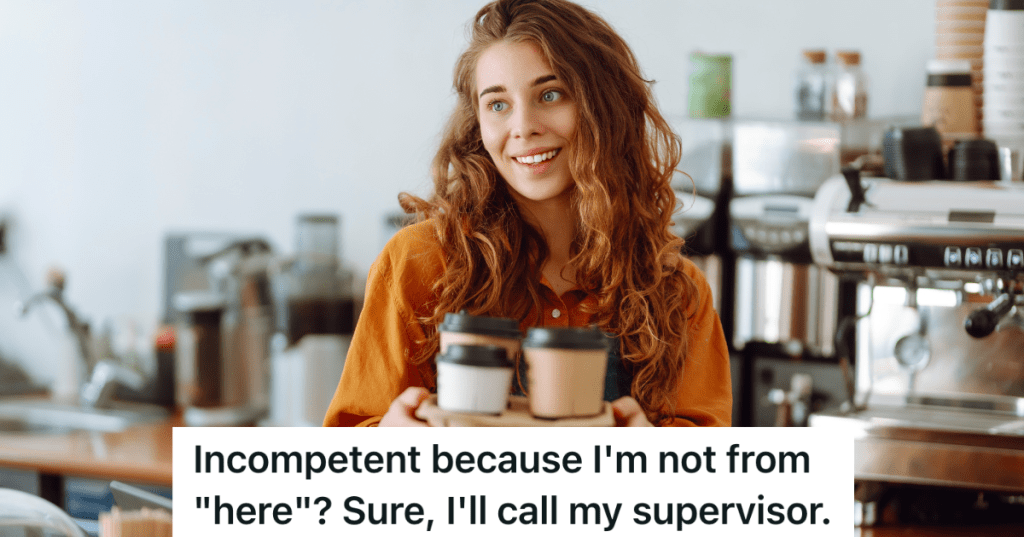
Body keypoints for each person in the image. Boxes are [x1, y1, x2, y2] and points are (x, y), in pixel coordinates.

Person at [323, 0, 731, 428]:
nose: (523, 127)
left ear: (605, 107)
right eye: (498, 104)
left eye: (550, 94)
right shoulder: (419, 262)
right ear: (477, 122)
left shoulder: (676, 292)